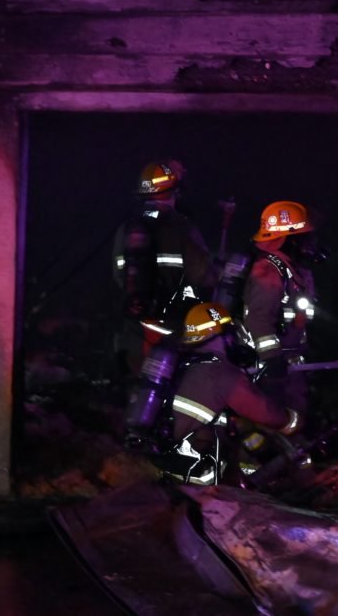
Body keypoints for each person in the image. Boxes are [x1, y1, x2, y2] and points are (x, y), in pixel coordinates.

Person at [146, 302, 302, 485]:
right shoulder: (221, 373)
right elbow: (268, 415)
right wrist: (294, 420)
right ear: (222, 336)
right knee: (255, 435)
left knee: (240, 426)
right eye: (230, 333)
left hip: (158, 455)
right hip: (192, 472)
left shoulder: (182, 362)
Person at [112, 160, 218, 375]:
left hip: (136, 328)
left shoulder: (125, 229)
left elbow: (118, 274)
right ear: (175, 192)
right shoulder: (182, 226)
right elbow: (204, 276)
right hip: (173, 328)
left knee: (139, 388)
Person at [242, 200, 324, 418]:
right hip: (269, 369)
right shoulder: (269, 270)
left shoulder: (291, 270)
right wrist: (272, 359)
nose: (311, 243)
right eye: (305, 237)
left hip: (290, 365)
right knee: (273, 422)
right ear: (290, 239)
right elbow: (258, 319)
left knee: (295, 420)